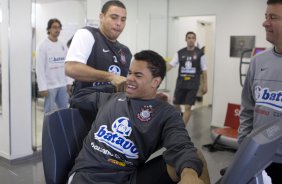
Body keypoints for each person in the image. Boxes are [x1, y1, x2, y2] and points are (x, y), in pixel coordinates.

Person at [68, 50, 204, 184]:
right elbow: (77, 98)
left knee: (195, 159)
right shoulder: (111, 98)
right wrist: (112, 84)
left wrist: (189, 175)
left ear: (155, 82)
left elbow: (182, 146)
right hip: (88, 177)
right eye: (129, 73)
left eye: (138, 75)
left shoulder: (166, 113)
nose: (129, 78)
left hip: (129, 178)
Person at [238, 0, 282, 183]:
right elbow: (248, 109)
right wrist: (243, 149)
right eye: (265, 16)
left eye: (273, 17)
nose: (265, 22)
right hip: (257, 158)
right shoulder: (258, 62)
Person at [64, 0, 132, 95]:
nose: (118, 23)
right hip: (85, 106)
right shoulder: (87, 34)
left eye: (123, 20)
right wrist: (111, 77)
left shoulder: (125, 51)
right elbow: (71, 68)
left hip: (113, 107)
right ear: (101, 17)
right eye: (114, 17)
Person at [167, 32, 207, 126]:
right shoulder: (180, 53)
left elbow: (204, 70)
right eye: (189, 38)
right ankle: (179, 120)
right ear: (186, 40)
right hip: (181, 84)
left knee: (188, 107)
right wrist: (159, 72)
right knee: (176, 105)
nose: (191, 39)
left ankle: (182, 128)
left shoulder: (200, 53)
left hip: (193, 84)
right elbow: (170, 65)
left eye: (193, 38)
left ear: (195, 39)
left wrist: (205, 84)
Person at [36, 18, 72, 114]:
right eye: (54, 27)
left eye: (59, 27)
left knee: (64, 111)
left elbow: (67, 64)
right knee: (49, 113)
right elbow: (39, 68)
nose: (57, 30)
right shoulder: (42, 46)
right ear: (49, 29)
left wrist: (69, 82)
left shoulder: (63, 45)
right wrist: (43, 87)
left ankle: (62, 129)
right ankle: (48, 129)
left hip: (62, 85)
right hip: (50, 86)